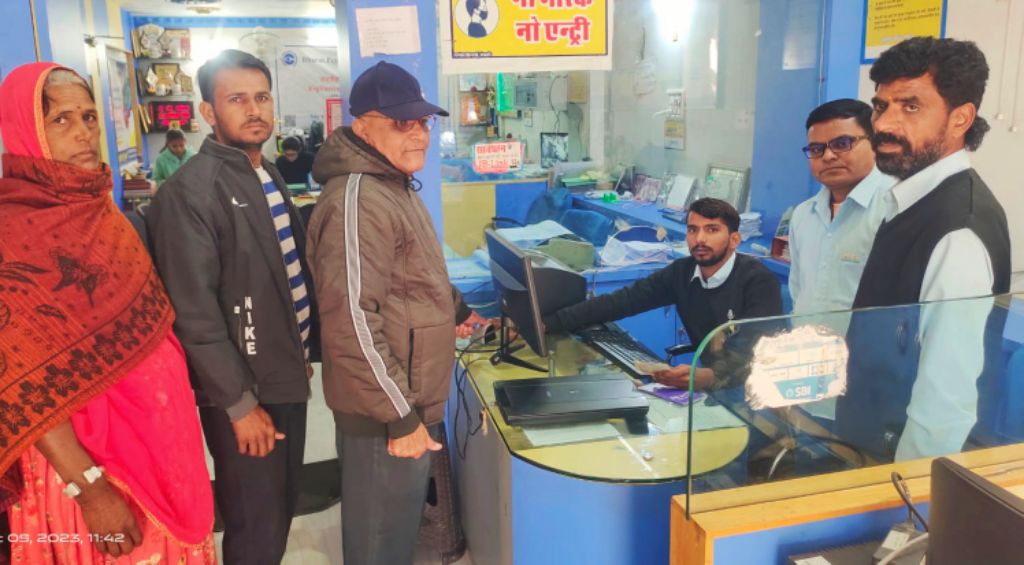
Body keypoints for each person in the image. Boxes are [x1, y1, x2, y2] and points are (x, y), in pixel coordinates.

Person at [0, 63, 214, 563]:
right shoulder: (11, 235)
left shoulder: (104, 215)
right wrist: (91, 490)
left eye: (90, 116)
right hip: (89, 473)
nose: (83, 132)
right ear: (25, 130)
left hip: (159, 446)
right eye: (61, 120)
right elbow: (18, 384)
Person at [146, 50, 316, 564]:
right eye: (237, 99)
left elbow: (282, 275)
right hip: (243, 392)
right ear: (207, 112)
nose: (254, 110)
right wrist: (239, 405)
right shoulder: (190, 194)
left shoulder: (265, 173)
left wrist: (300, 350)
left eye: (262, 97)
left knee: (279, 510)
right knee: (255, 524)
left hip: (283, 374)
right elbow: (193, 314)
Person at [305, 60, 470, 565]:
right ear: (363, 127)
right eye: (402, 122)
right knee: (379, 544)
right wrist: (400, 417)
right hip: (384, 412)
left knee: (395, 537)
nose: (418, 133)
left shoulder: (392, 183)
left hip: (401, 399)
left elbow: (410, 279)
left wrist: (458, 310)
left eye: (423, 121)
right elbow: (351, 321)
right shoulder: (359, 199)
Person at [837, 37, 1011, 460]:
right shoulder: (911, 201)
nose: (885, 124)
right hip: (865, 451)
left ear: (960, 118)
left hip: (898, 471)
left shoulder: (958, 230)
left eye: (911, 106)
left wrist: (906, 494)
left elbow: (945, 404)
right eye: (881, 106)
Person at [544, 198, 784, 390]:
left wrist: (708, 376)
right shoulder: (682, 272)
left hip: (757, 387)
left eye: (712, 230)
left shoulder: (758, 282)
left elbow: (753, 352)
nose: (700, 239)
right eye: (693, 230)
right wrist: (549, 323)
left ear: (734, 240)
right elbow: (622, 301)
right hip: (711, 384)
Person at [789, 99, 896, 314]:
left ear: (875, 144)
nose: (828, 156)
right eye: (816, 149)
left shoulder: (896, 206)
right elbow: (798, 291)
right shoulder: (803, 215)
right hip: (806, 335)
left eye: (842, 144)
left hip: (868, 337)